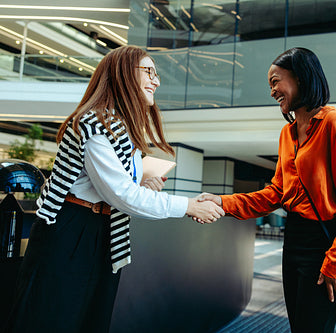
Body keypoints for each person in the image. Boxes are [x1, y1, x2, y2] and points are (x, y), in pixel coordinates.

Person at [3, 45, 224, 333]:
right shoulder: (95, 121)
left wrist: (142, 182)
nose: (156, 80)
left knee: (90, 318)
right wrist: (189, 206)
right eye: (149, 71)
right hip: (71, 228)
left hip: (102, 228)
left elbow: (116, 188)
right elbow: (120, 194)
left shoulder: (120, 126)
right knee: (53, 317)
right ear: (122, 73)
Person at [197, 47, 336, 332]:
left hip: (326, 244)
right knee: (299, 325)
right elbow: (277, 193)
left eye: (276, 81)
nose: (272, 91)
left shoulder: (333, 124)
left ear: (301, 78)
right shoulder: (287, 134)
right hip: (294, 240)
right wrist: (221, 201)